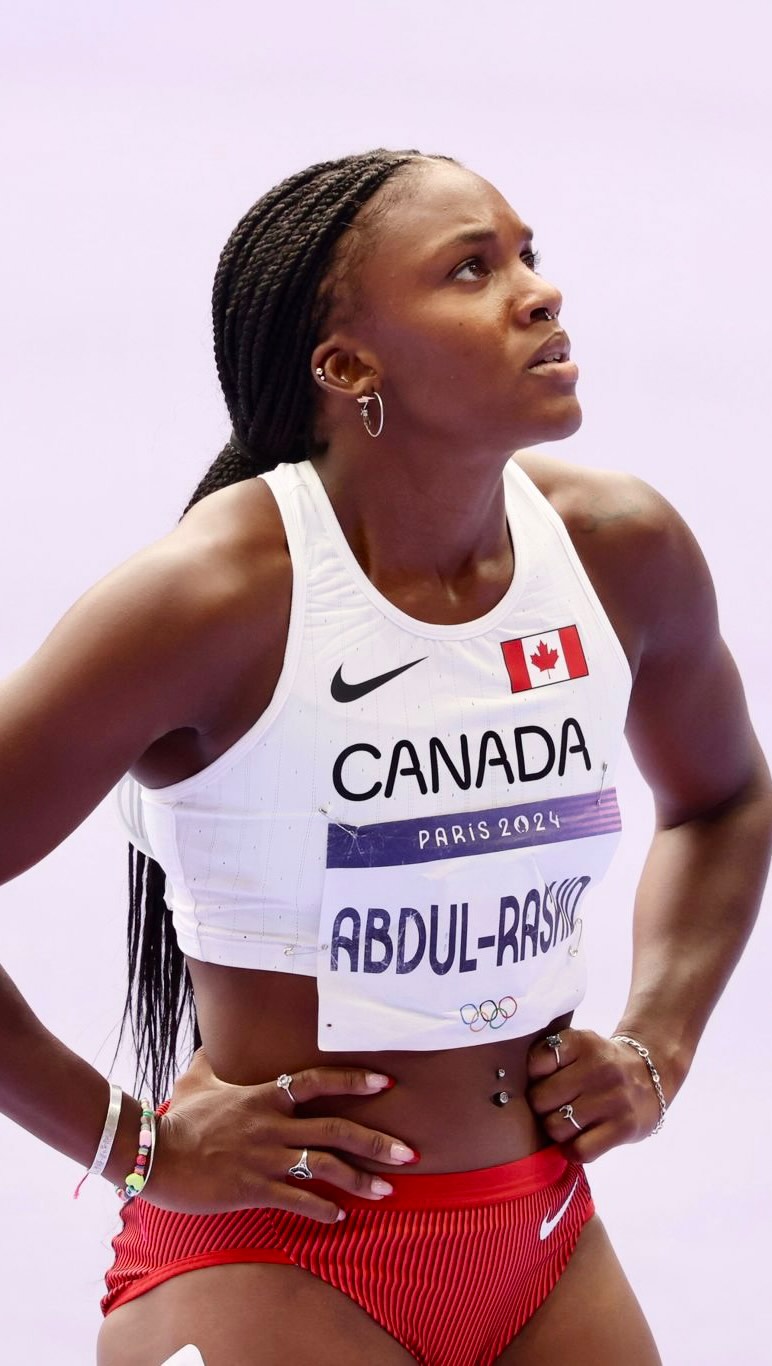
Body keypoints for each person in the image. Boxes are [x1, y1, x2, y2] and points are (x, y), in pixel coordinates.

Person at [1, 146, 769, 1366]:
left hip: (542, 1236)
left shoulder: (618, 550)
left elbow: (723, 798)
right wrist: (132, 1146)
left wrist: (657, 1043)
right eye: (471, 269)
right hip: (278, 1256)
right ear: (348, 366)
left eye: (526, 255)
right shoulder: (213, 598)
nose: (538, 291)